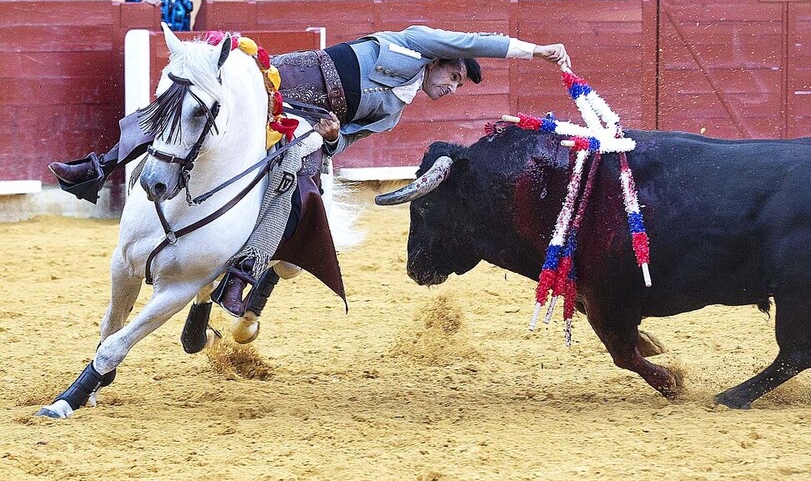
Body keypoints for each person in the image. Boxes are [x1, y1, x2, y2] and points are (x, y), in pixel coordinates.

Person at [49, 26, 571, 317]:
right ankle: (98, 166)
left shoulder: (393, 111)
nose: (451, 86)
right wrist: (535, 50)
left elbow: (347, 136)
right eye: (452, 75)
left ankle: (243, 282)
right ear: (437, 61)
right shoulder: (412, 45)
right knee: (190, 106)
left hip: (314, 124)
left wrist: (327, 139)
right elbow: (470, 41)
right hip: (289, 80)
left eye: (458, 85)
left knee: (300, 197)